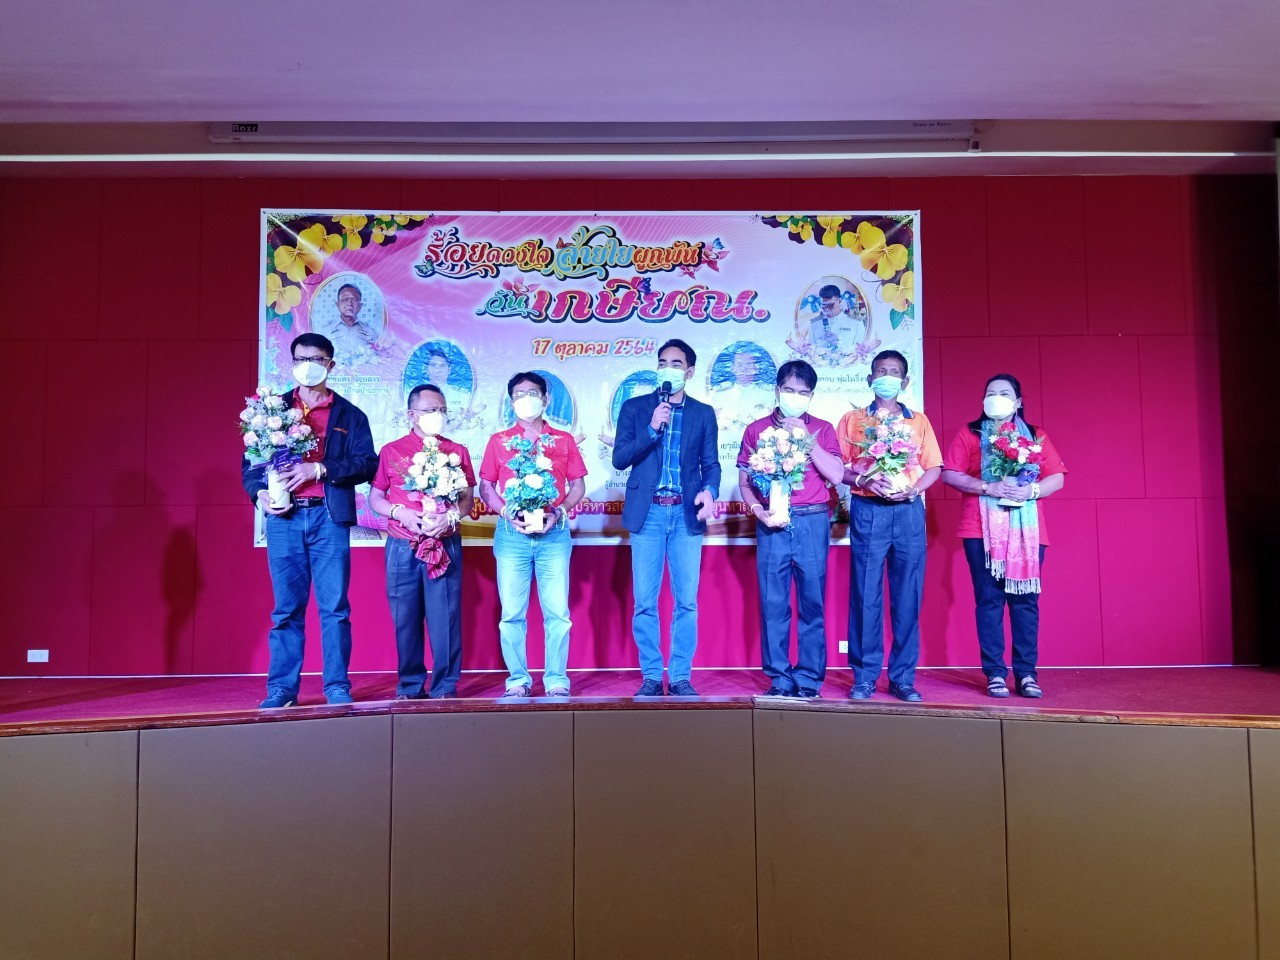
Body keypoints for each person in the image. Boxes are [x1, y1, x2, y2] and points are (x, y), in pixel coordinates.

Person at [242, 333, 378, 708]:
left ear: (330, 365)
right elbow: (250, 464)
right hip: (284, 518)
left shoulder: (350, 415)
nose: (308, 366)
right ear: (292, 363)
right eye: (301, 359)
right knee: (286, 609)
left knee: (335, 608)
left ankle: (337, 685)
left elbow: (367, 464)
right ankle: (282, 689)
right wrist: (259, 493)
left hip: (328, 517)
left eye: (316, 359)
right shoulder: (270, 412)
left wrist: (319, 469)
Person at [940, 374, 1067, 699]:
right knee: (990, 599)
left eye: (1004, 393)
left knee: (1025, 601)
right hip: (979, 530)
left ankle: (1026, 674)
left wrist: (1031, 490)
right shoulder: (970, 433)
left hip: (1027, 531)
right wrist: (987, 487)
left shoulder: (1035, 435)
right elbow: (949, 473)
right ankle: (995, 673)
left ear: (1018, 402)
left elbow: (1057, 477)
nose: (996, 397)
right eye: (990, 392)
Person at [612, 339, 721, 697]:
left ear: (689, 372)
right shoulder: (635, 408)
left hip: (685, 514)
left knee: (686, 601)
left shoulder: (703, 413)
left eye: (676, 363)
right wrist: (652, 429)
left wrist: (710, 491)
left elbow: (711, 464)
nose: (668, 369)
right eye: (662, 362)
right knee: (645, 601)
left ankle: (679, 677)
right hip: (649, 514)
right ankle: (650, 676)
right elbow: (620, 459)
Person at [836, 349, 942, 702]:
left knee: (908, 595)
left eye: (894, 372)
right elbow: (838, 467)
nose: (887, 377)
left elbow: (934, 467)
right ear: (870, 379)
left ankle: (902, 678)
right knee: (865, 593)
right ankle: (865, 676)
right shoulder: (853, 420)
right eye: (881, 371)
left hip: (908, 510)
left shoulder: (918, 421)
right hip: (869, 509)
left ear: (905, 381)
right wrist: (864, 480)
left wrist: (915, 488)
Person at [737, 360, 845, 698]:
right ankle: (780, 677)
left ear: (811, 396)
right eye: (789, 390)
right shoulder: (756, 430)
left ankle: (809, 677)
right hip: (772, 523)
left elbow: (837, 475)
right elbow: (744, 481)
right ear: (777, 390)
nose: (795, 396)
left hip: (812, 520)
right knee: (773, 603)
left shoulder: (823, 429)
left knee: (813, 602)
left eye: (803, 392)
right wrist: (758, 511)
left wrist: (809, 442)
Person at [478, 372, 588, 698]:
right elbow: (486, 486)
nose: (526, 399)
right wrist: (505, 513)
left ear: (546, 399)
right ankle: (518, 680)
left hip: (553, 534)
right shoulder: (499, 441)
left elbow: (577, 485)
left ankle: (556, 680)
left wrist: (559, 511)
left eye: (532, 393)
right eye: (519, 394)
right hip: (512, 536)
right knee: (512, 614)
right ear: (511, 402)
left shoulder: (562, 440)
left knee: (558, 613)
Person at [368, 384, 476, 700]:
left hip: (444, 544)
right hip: (402, 544)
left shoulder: (457, 452)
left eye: (442, 410)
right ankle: (409, 685)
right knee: (405, 618)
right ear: (412, 414)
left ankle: (445, 686)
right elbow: (375, 498)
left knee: (445, 618)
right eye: (430, 410)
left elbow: (468, 500)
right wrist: (399, 512)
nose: (437, 415)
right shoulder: (391, 451)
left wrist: (451, 516)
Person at [712, 348, 775, 430]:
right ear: (732, 368)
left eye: (748, 364)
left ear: (756, 367)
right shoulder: (719, 396)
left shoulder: (769, 395)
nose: (744, 368)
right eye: (740, 364)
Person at [326, 283, 379, 358]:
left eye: (354, 300)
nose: (350, 303)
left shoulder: (371, 332)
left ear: (360, 306)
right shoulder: (325, 330)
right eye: (345, 299)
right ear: (338, 305)